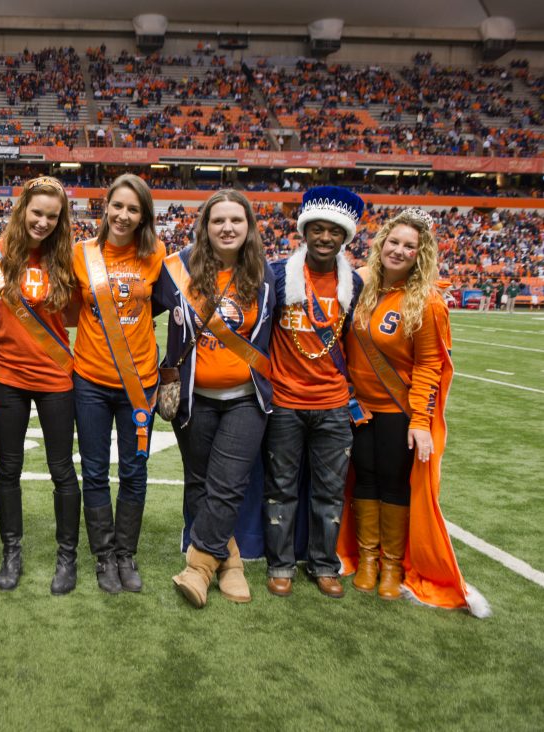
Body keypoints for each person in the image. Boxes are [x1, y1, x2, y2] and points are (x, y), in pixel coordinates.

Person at [337, 209, 489, 616]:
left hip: (398, 410)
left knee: (393, 483)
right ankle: (366, 559)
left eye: (410, 246)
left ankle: (391, 566)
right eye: (394, 242)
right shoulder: (361, 286)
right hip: (358, 407)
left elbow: (429, 366)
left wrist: (420, 421)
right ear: (381, 243)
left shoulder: (427, 301)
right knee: (363, 479)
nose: (399, 250)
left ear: (420, 255)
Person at [161, 190, 275, 608]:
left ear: (249, 228)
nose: (227, 228)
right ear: (204, 227)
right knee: (199, 483)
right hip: (193, 398)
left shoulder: (268, 275)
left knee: (227, 485)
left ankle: (198, 568)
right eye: (218, 221)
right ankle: (230, 564)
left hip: (247, 397)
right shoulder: (175, 271)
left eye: (236, 221)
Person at [0, 176, 79, 594]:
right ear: (22, 210)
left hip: (57, 377)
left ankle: (67, 557)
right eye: (37, 213)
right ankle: (11, 552)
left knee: (62, 470)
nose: (43, 222)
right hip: (9, 378)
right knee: (10, 470)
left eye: (52, 216)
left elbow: (77, 316)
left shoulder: (69, 259)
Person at [262, 185, 364, 599]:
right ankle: (281, 564)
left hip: (334, 405)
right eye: (317, 229)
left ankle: (324, 565)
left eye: (334, 232)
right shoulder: (276, 273)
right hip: (285, 402)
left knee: (328, 491)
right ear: (303, 232)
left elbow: (359, 343)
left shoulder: (353, 283)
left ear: (345, 237)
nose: (325, 238)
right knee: (281, 488)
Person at [71, 174, 164, 593]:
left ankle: (126, 554)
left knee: (134, 471)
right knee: (93, 471)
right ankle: (103, 557)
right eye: (118, 206)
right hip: (89, 379)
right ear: (105, 206)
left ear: (143, 216)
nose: (124, 215)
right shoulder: (81, 254)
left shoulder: (157, 254)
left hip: (139, 383)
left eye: (134, 209)